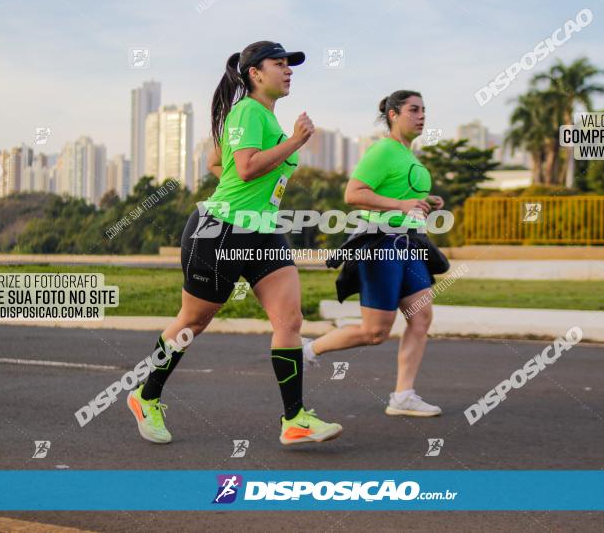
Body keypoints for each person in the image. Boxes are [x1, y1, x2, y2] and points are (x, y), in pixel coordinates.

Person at [126, 41, 342, 445]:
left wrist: (270, 166)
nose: (288, 70)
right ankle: (145, 394)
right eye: (279, 64)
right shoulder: (246, 111)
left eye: (290, 65)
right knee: (193, 321)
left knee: (289, 321)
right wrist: (294, 142)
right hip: (220, 230)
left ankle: (294, 419)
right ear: (255, 74)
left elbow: (218, 163)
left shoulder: (265, 120)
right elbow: (242, 169)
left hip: (263, 232)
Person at [303, 90, 449, 417]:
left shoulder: (408, 155)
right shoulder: (383, 150)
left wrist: (427, 201)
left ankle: (403, 396)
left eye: (424, 109)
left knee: (421, 316)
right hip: (381, 245)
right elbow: (353, 193)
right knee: (375, 333)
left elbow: (400, 195)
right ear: (394, 114)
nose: (422, 115)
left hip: (409, 244)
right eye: (414, 110)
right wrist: (400, 205)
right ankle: (309, 350)